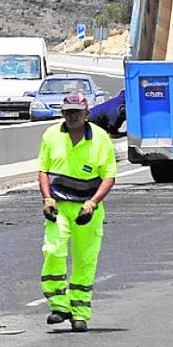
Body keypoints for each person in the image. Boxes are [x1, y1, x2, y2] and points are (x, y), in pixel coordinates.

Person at [37, 92, 117, 333]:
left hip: (87, 209)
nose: (72, 117)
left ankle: (80, 313)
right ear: (62, 113)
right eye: (68, 112)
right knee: (53, 250)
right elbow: (43, 170)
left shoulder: (100, 139)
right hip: (59, 205)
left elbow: (109, 176)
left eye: (77, 113)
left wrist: (93, 202)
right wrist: (47, 198)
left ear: (86, 114)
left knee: (85, 259)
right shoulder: (51, 135)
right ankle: (59, 305)